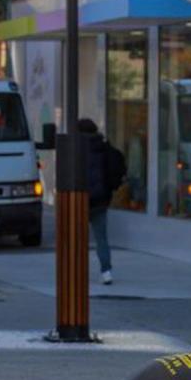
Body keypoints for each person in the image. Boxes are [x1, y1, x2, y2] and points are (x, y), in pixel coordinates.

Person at [77, 118, 126, 285]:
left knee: (77, 238)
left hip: (79, 200)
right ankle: (106, 272)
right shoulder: (105, 148)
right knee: (101, 239)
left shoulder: (77, 150)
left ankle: (77, 271)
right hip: (100, 200)